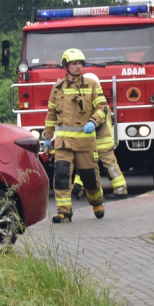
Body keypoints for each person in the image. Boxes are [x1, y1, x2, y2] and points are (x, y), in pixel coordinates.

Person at [42, 48, 107, 223]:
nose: (79, 67)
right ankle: (64, 212)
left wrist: (93, 121)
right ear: (66, 66)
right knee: (61, 176)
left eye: (80, 64)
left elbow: (103, 108)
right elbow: (51, 115)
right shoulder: (57, 89)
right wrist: (47, 137)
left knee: (89, 178)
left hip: (85, 143)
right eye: (74, 64)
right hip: (63, 144)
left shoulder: (92, 85)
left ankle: (97, 202)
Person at [71, 73, 129, 200]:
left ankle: (121, 189)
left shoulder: (96, 104)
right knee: (87, 164)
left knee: (108, 165)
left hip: (101, 141)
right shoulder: (101, 102)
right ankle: (78, 188)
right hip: (98, 141)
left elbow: (95, 121)